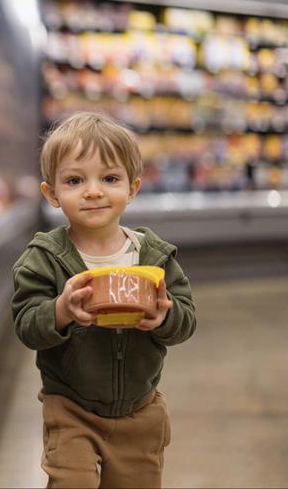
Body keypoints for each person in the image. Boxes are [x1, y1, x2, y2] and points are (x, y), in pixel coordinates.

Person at [11, 112, 196, 488]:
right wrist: (60, 312)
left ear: (132, 188)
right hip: (70, 408)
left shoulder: (154, 255)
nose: (93, 191)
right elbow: (27, 326)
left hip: (140, 411)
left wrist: (165, 318)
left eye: (110, 178)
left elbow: (187, 320)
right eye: (75, 180)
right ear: (52, 194)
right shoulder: (44, 258)